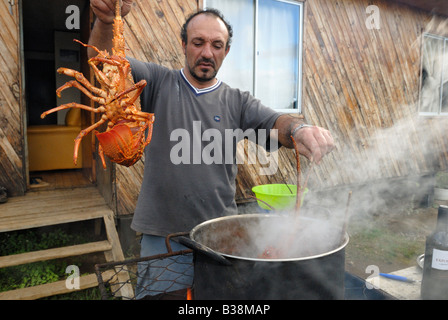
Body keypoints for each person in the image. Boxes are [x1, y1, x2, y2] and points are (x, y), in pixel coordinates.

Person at [88, 0, 335, 299]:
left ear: (226, 51)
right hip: (163, 236)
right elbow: (106, 63)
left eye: (217, 45)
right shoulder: (155, 81)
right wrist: (104, 22)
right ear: (183, 45)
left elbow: (276, 122)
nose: (207, 52)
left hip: (220, 238)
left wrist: (298, 129)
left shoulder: (238, 102)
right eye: (198, 42)